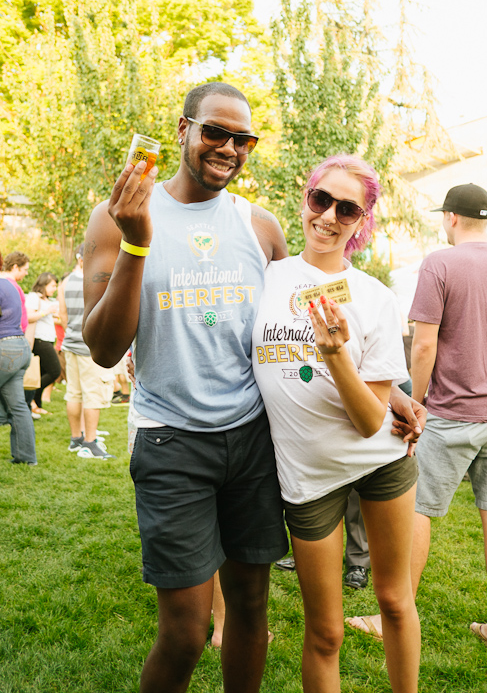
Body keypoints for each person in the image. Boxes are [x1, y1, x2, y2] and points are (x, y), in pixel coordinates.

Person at [81, 82, 290, 693]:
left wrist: (390, 394)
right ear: (183, 130)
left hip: (252, 439)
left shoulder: (261, 226)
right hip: (171, 440)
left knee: (252, 609)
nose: (228, 148)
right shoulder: (116, 216)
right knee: (186, 628)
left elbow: (297, 336)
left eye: (242, 139)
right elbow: (103, 347)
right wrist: (137, 241)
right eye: (215, 133)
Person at [252, 154, 422, 693]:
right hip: (307, 477)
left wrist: (336, 355)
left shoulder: (375, 297)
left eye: (346, 209)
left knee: (395, 601)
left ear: (361, 221)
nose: (328, 216)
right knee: (324, 632)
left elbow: (370, 419)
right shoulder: (267, 277)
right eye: (320, 199)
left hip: (380, 463)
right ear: (306, 198)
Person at [407, 183, 487, 661]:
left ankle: (394, 615)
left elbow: (422, 345)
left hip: (453, 413)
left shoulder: (440, 262)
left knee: (418, 509)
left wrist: (415, 403)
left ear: (451, 218)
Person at [58, 244, 115, 459]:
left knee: (73, 392)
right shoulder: (95, 280)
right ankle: (91, 442)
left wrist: (71, 332)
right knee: (93, 394)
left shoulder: (65, 282)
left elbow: (62, 314)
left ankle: (76, 439)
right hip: (89, 346)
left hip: (70, 343)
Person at [0, 273, 38, 466]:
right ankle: (26, 457)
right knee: (18, 406)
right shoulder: (10, 285)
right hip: (20, 347)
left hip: (4, 348)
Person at [25, 273, 61, 415]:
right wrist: (47, 311)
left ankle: (34, 405)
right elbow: (28, 317)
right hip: (39, 340)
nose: (55, 288)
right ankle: (30, 396)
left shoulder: (48, 299)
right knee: (54, 371)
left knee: (42, 373)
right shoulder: (34, 297)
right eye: (52, 285)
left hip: (48, 339)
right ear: (44, 284)